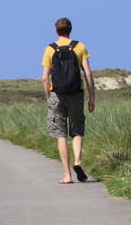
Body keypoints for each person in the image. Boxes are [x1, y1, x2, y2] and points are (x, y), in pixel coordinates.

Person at [41, 18, 95, 184]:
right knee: (77, 129)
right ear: (70, 29)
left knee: (61, 134)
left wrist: (48, 97)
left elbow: (45, 78)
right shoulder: (80, 47)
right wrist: (92, 97)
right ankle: (77, 161)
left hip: (57, 94)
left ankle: (67, 175)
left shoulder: (50, 49)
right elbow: (88, 74)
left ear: (56, 31)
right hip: (76, 93)